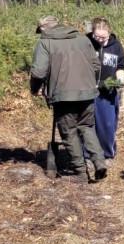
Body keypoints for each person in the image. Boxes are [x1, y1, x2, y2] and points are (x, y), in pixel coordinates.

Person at [30, 15, 107, 182]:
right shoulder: (82, 39)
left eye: (40, 30)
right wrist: (88, 83)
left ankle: (80, 173)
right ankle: (99, 161)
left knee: (69, 132)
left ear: (44, 28)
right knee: (86, 127)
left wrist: (34, 89)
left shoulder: (45, 43)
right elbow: (96, 65)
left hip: (62, 95)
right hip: (87, 92)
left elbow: (38, 72)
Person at [86, 17, 124, 162]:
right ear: (92, 33)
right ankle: (88, 155)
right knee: (87, 124)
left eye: (103, 37)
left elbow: (120, 66)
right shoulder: (86, 43)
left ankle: (107, 154)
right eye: (97, 36)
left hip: (107, 93)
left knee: (107, 125)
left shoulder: (116, 47)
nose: (100, 39)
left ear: (109, 33)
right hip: (87, 91)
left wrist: (120, 80)